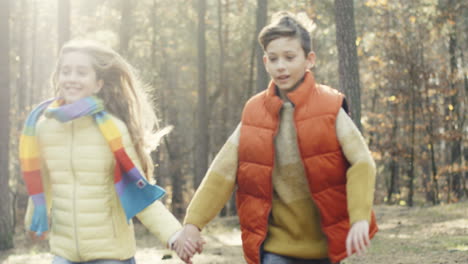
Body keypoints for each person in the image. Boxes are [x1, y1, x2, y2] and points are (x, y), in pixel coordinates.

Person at [174, 11, 378, 264]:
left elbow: (361, 162)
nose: (281, 65)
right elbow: (222, 172)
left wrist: (359, 217)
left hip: (323, 246)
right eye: (273, 58)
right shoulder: (254, 111)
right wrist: (193, 224)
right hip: (275, 247)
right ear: (265, 62)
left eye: (290, 57)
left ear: (309, 59)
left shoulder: (330, 107)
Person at [20, 39, 185, 264]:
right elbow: (45, 181)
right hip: (65, 252)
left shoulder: (114, 131)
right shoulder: (44, 128)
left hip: (111, 253)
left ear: (98, 83)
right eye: (66, 71)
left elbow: (139, 191)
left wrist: (174, 234)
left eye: (81, 72)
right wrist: (34, 221)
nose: (71, 78)